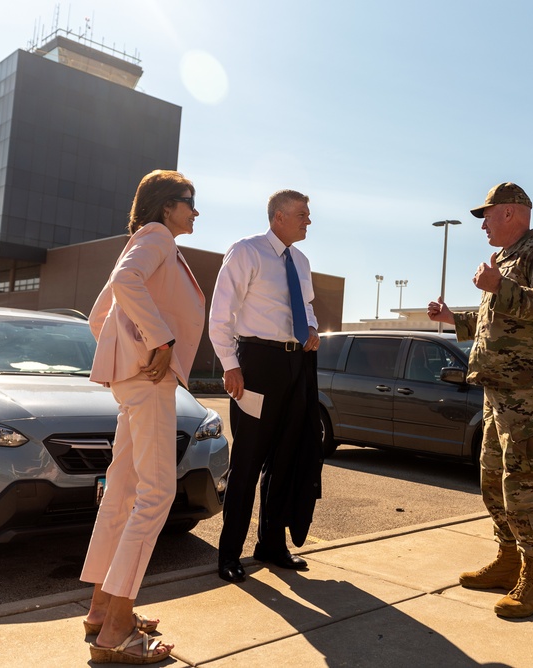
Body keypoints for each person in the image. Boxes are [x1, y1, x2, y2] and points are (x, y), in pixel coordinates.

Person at [428, 182, 533, 619]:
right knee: (494, 479)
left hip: (531, 394)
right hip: (499, 391)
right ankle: (507, 561)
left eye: (487, 215)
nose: (484, 224)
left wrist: (496, 285)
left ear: (511, 213)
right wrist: (455, 318)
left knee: (527, 483)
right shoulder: (505, 260)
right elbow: (501, 321)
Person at [80, 170, 206, 663]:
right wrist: (158, 341)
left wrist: (128, 355)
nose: (195, 211)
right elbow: (124, 283)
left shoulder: (146, 242)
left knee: (124, 494)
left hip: (136, 381)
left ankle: (101, 611)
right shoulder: (155, 238)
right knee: (156, 495)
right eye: (188, 201)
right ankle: (115, 632)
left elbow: (98, 318)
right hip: (150, 383)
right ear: (164, 206)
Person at [209, 189, 321, 584]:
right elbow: (221, 312)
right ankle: (229, 554)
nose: (309, 220)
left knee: (286, 459)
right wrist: (230, 365)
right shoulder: (247, 252)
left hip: (296, 364)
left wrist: (312, 329)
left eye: (308, 214)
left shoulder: (301, 261)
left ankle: (271, 545)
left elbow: (305, 307)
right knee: (248, 462)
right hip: (256, 365)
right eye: (302, 214)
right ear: (278, 217)